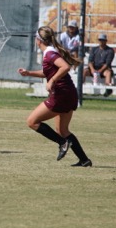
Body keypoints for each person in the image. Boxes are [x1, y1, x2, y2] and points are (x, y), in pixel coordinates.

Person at [18, 26, 92, 167]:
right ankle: (84, 160)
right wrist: (29, 73)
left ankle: (62, 143)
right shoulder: (50, 53)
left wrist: (52, 81)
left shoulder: (50, 54)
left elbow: (65, 67)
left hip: (61, 95)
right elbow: (49, 72)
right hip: (68, 93)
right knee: (62, 130)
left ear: (38, 40)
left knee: (32, 121)